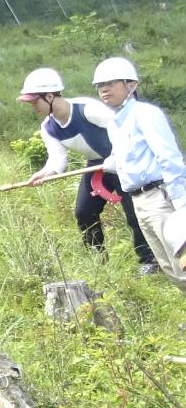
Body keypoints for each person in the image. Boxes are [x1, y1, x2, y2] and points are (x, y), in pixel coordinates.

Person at [15, 66, 154, 271]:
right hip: (96, 167)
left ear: (50, 96)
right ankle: (98, 262)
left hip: (124, 162)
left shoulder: (86, 108)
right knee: (84, 212)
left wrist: (116, 157)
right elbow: (57, 160)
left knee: (134, 213)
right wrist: (44, 173)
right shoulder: (48, 127)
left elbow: (123, 130)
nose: (33, 106)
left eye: (35, 101)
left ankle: (149, 261)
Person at [94, 57, 186, 291]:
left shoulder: (146, 114)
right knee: (168, 268)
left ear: (131, 85)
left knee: (182, 263)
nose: (104, 89)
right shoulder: (114, 122)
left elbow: (169, 157)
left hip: (161, 196)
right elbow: (121, 157)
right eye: (100, 85)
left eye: (111, 83)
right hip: (138, 201)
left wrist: (180, 201)